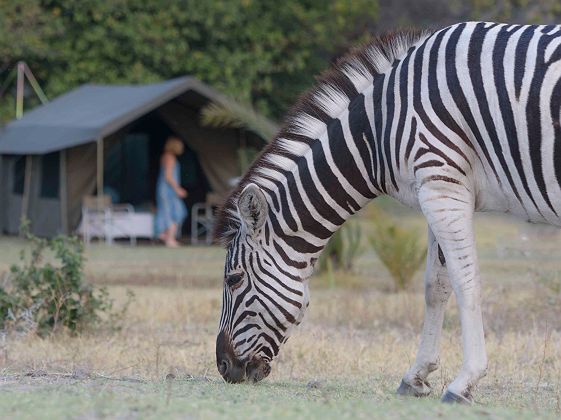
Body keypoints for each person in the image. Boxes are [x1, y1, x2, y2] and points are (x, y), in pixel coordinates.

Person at [155, 136, 188, 247]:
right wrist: (177, 189)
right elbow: (168, 176)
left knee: (177, 211)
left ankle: (165, 235)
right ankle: (168, 238)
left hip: (166, 189)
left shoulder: (167, 156)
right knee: (172, 213)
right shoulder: (169, 157)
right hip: (167, 190)